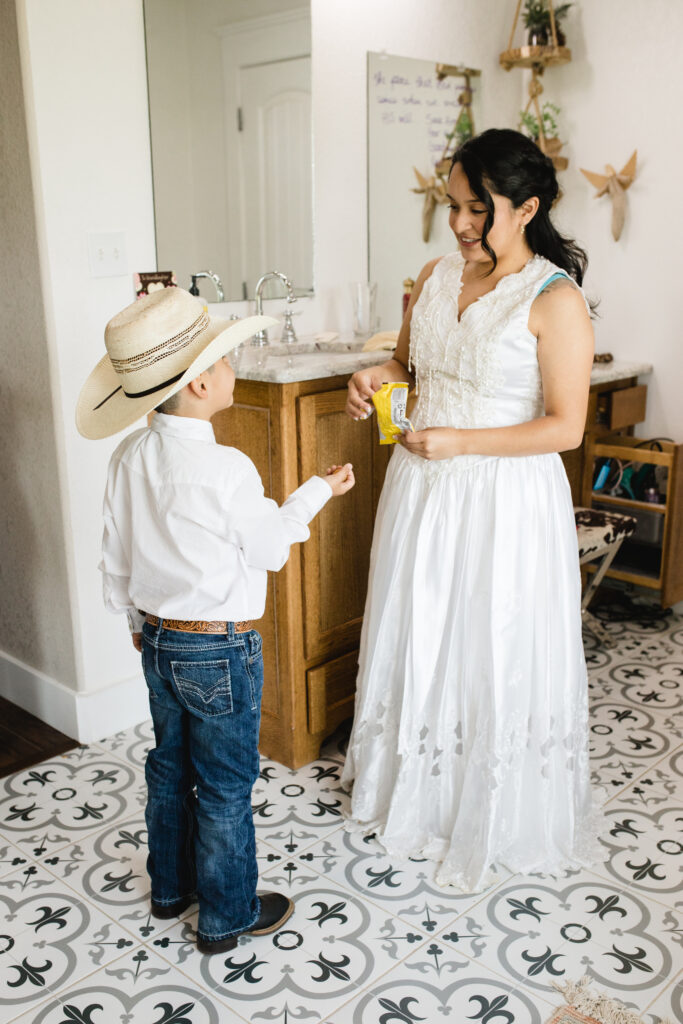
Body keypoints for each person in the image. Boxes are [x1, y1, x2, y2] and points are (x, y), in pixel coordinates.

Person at [342, 128, 602, 892]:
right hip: (422, 490)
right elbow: (409, 364)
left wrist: (463, 441)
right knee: (424, 630)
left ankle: (491, 805)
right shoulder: (431, 275)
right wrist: (373, 375)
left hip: (505, 497)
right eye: (452, 205)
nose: (458, 224)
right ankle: (416, 793)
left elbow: (565, 426)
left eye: (475, 209)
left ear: (525, 208)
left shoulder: (556, 299)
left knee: (493, 641)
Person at [76, 287, 354, 952]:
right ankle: (228, 913)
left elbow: (114, 555)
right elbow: (267, 549)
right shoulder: (226, 467)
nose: (235, 367)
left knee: (169, 769)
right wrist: (319, 489)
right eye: (228, 359)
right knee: (226, 785)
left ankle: (170, 890)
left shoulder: (128, 458)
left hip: (157, 640)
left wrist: (137, 628)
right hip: (218, 650)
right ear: (201, 382)